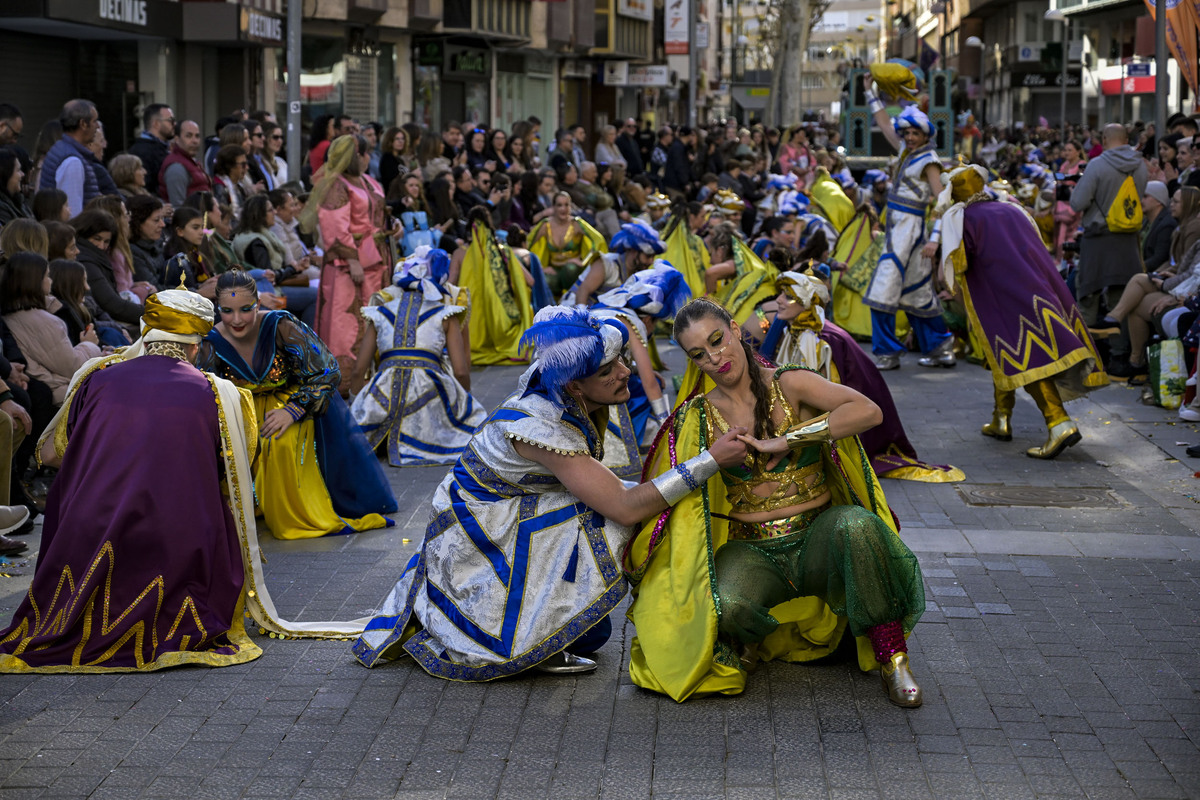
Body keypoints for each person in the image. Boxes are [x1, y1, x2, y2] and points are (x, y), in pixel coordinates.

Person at [352, 305, 749, 678]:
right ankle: (522, 640)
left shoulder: (557, 389)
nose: (624, 372)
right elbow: (625, 507)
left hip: (496, 518)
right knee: (606, 519)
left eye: (621, 360)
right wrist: (708, 462)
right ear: (575, 385)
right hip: (476, 542)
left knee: (595, 632)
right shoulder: (541, 427)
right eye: (608, 370)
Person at [625, 297, 926, 706]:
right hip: (753, 550)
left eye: (718, 340)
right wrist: (712, 460)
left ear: (735, 328)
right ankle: (752, 642)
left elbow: (868, 412)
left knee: (858, 526)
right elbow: (668, 489)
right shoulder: (696, 416)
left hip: (820, 537)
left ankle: (893, 657)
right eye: (700, 354)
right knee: (726, 603)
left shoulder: (790, 384)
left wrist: (789, 438)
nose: (715, 357)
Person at [0, 288, 265, 672]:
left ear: (148, 334)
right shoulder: (218, 392)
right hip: (175, 542)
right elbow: (234, 475)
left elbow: (54, 454)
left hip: (89, 536)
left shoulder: (97, 377)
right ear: (195, 345)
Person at [196, 270, 396, 540]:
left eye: (246, 309)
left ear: (259, 302)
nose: (237, 319)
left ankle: (296, 511)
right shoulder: (210, 341)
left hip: (294, 403)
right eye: (227, 311)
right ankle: (254, 505)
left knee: (280, 442)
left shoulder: (281, 325)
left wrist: (293, 410)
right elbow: (207, 391)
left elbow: (328, 371)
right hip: (242, 411)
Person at [937, 165, 1108, 458]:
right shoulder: (1013, 209)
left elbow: (959, 264)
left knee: (1026, 358)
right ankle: (1000, 419)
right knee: (1003, 353)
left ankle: (1058, 422)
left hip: (1001, 296)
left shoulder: (963, 217)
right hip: (1040, 287)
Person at [760, 267, 965, 482]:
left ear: (808, 301)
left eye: (788, 296)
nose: (779, 301)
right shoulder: (797, 330)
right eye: (781, 294)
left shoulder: (820, 341)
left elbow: (824, 395)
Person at [349, 247, 484, 466]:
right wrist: (463, 404)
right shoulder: (445, 313)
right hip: (429, 393)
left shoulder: (380, 312)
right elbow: (460, 371)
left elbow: (357, 371)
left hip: (382, 392)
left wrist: (356, 405)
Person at [860, 90, 954, 371]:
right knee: (917, 294)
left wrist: (935, 240)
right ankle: (941, 349)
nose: (910, 137)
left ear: (926, 135)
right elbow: (886, 126)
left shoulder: (929, 161)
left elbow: (943, 202)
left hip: (911, 234)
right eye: (908, 133)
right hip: (899, 231)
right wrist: (871, 92)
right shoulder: (907, 152)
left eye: (916, 133)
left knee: (881, 291)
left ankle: (888, 352)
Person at [302, 135, 391, 384]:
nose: (369, 158)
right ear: (357, 155)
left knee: (373, 317)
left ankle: (374, 378)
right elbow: (334, 226)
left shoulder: (368, 181)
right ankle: (345, 381)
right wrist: (351, 259)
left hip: (375, 263)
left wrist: (390, 229)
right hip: (347, 268)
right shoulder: (336, 186)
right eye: (366, 153)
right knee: (346, 322)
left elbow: (377, 216)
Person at [1069, 123, 1149, 325]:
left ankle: (1089, 353)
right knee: (1121, 303)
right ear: (1126, 140)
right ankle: (1119, 353)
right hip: (1128, 241)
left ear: (1104, 139)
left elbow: (1078, 203)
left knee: (1088, 297)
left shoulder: (1096, 165)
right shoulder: (1141, 165)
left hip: (1097, 241)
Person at [1, 252, 103, 404]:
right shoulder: (43, 321)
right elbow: (73, 366)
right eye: (47, 276)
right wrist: (89, 345)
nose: (50, 281)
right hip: (62, 394)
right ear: (36, 281)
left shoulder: (10, 315)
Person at [452, 207, 535, 364]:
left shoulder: (460, 254)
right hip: (504, 329)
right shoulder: (503, 252)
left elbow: (451, 283)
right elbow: (530, 281)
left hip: (471, 333)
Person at [232, 194, 317, 326]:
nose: (275, 212)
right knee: (315, 296)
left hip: (273, 286)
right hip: (269, 293)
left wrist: (295, 268)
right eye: (271, 210)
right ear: (260, 214)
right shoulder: (255, 242)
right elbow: (269, 277)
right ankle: (306, 342)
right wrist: (293, 269)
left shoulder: (260, 235)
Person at [70, 209, 143, 331]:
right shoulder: (86, 262)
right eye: (97, 239)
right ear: (84, 233)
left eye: (106, 241)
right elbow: (112, 304)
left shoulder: (94, 257)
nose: (101, 246)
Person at [564, 218, 664, 307]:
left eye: (653, 257)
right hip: (571, 311)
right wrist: (583, 320)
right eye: (648, 256)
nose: (651, 261)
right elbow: (583, 292)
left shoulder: (637, 274)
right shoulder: (607, 263)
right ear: (634, 251)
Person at [527, 191, 607, 297]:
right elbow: (527, 245)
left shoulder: (577, 224)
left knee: (570, 269)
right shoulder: (545, 225)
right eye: (559, 205)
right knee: (547, 279)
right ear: (553, 207)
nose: (563, 209)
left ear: (571, 206)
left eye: (566, 205)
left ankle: (574, 299)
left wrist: (584, 261)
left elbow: (598, 240)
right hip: (553, 271)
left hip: (572, 272)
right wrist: (541, 267)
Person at [40, 99, 107, 217]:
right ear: (83, 124)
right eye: (94, 121)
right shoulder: (72, 161)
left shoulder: (62, 149)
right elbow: (72, 214)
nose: (97, 126)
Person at [159, 120, 212, 207]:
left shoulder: (192, 162)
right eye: (189, 136)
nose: (194, 141)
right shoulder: (176, 167)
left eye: (197, 136)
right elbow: (179, 207)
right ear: (177, 139)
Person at [128, 103, 174, 197]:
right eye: (170, 120)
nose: (174, 124)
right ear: (156, 124)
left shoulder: (165, 148)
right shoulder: (141, 151)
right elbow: (145, 187)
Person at [0, 147, 32, 227]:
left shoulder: (19, 199)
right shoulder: (2, 208)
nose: (22, 174)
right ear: (6, 174)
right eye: (18, 170)